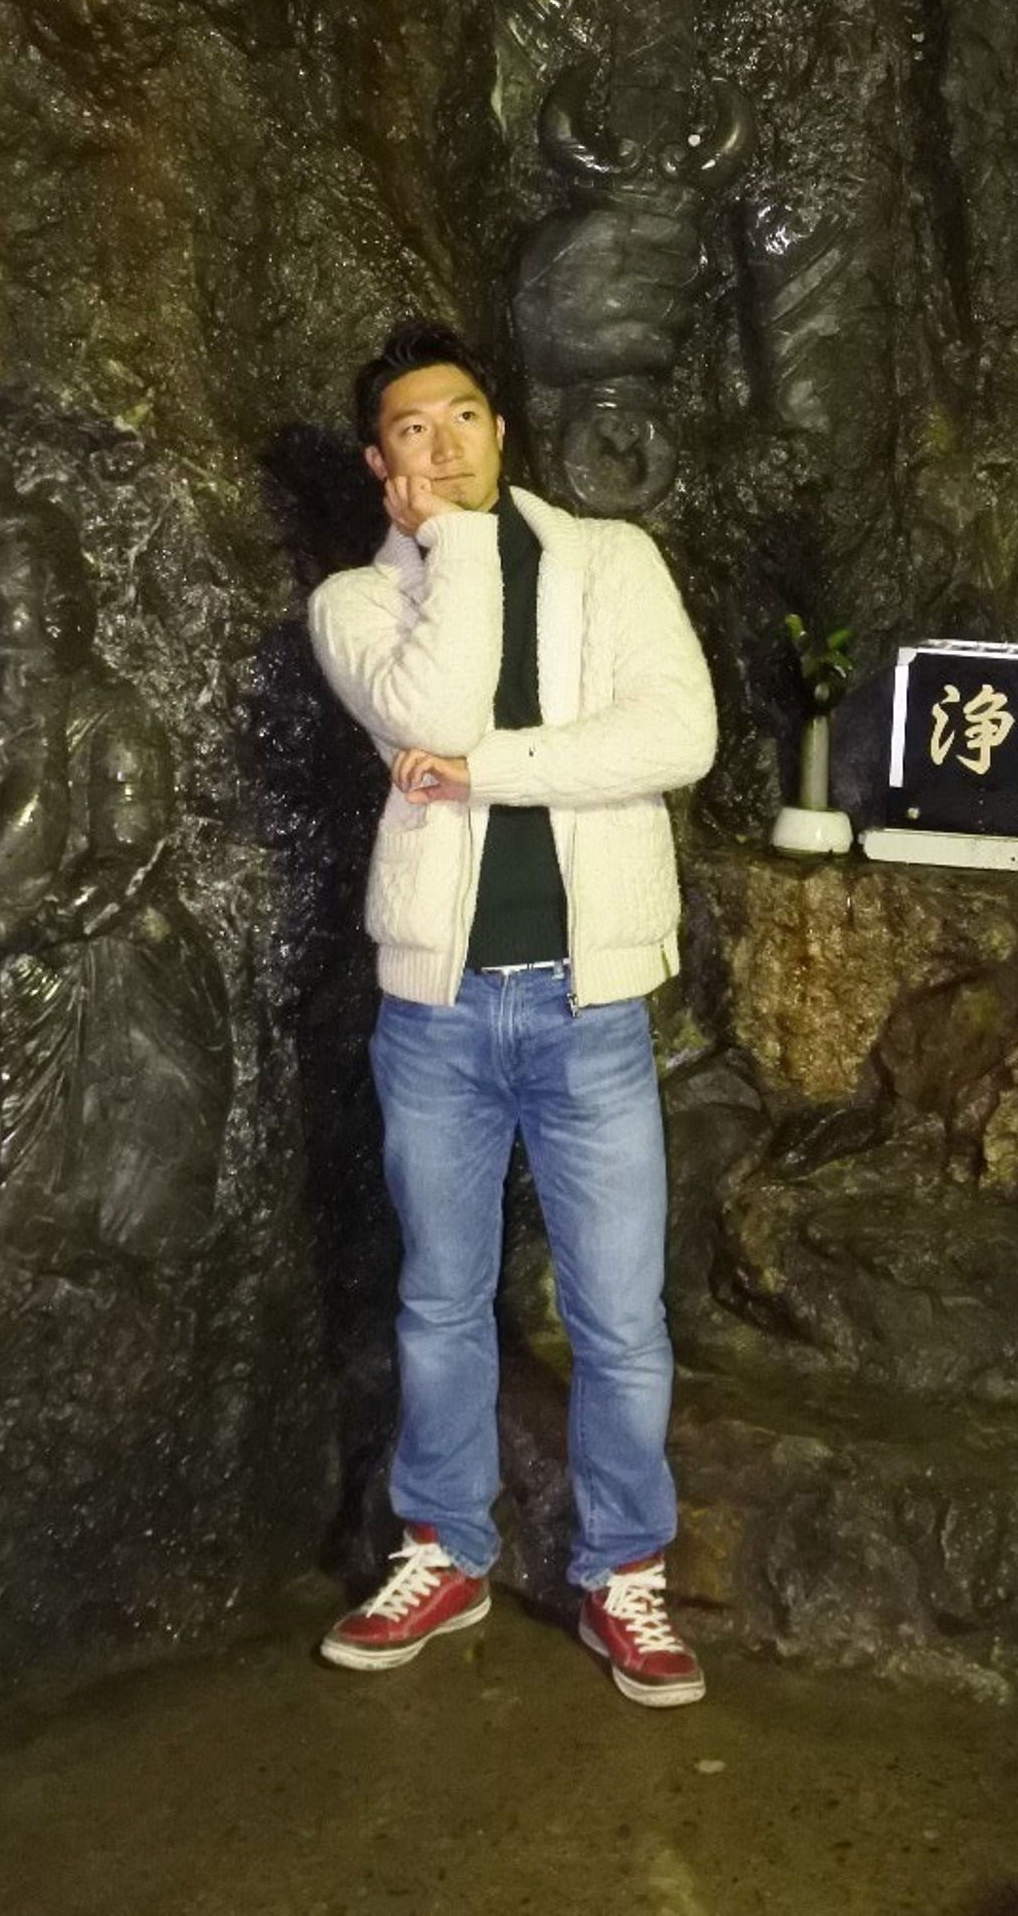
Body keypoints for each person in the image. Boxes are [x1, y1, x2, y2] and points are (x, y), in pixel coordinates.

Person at [304, 316, 718, 1705]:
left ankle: (625, 1573)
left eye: (463, 417)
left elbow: (680, 737)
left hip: (588, 1007)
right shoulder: (356, 605)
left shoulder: (614, 562)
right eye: (411, 430)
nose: (444, 445)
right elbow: (432, 703)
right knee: (439, 1300)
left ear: (501, 428)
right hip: (436, 1013)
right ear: (381, 466)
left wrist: (484, 775)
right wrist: (458, 548)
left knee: (620, 1317)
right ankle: (444, 1552)